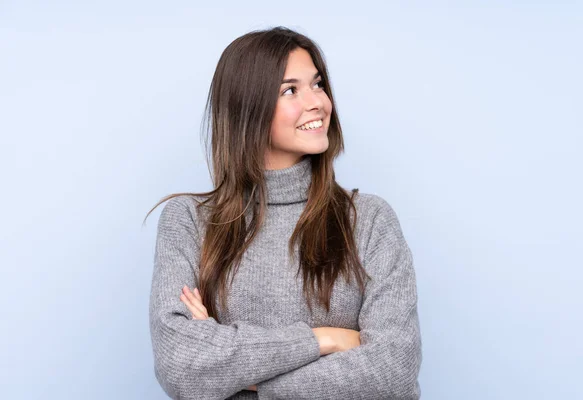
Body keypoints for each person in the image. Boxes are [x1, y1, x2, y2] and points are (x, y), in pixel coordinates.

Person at [146, 26, 422, 399]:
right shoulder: (190, 222)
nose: (318, 103)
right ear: (249, 107)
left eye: (318, 84)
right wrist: (323, 340)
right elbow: (181, 365)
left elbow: (394, 370)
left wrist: (242, 377)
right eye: (290, 90)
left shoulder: (368, 220)